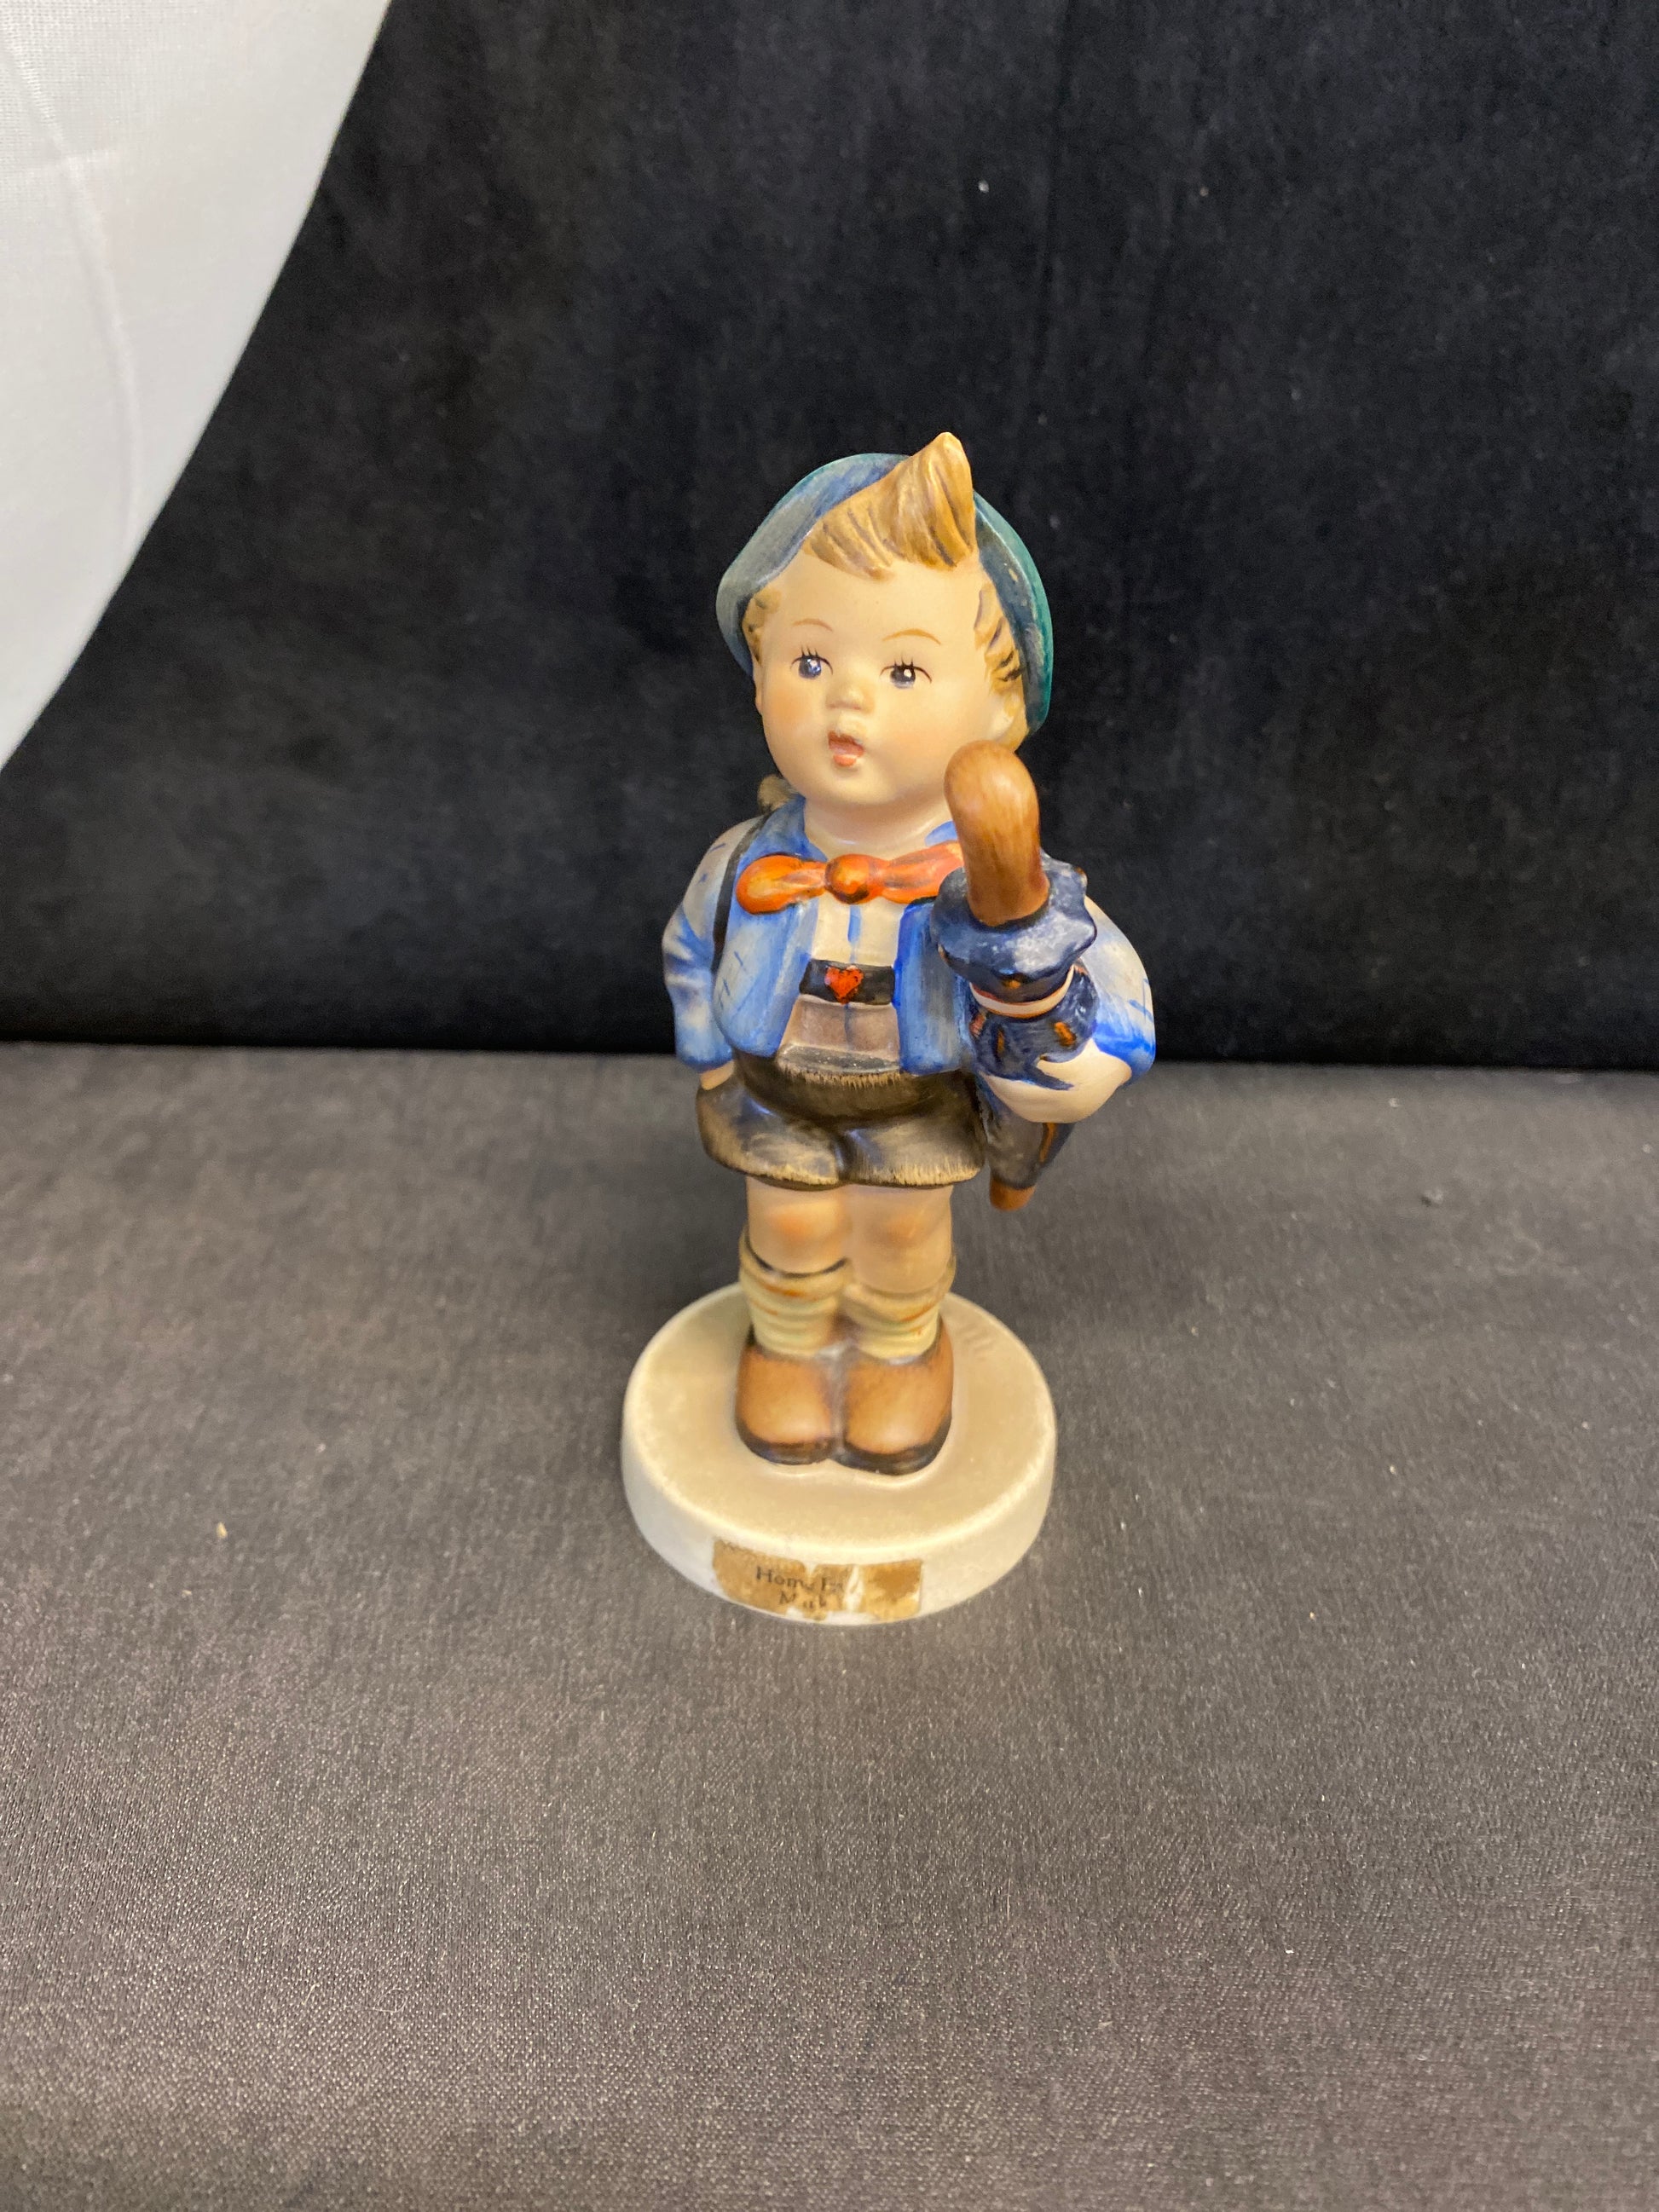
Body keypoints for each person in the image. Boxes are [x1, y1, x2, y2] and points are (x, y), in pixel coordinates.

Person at [663, 433, 1153, 1475]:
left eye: (901, 669)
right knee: (788, 1228)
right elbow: (687, 950)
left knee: (900, 1236)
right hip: (776, 1091)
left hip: (915, 1099)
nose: (847, 701)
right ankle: (788, 1347)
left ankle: (896, 1353)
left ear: (998, 710)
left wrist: (1079, 1052)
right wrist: (706, 1055)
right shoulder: (744, 861)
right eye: (809, 661)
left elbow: (1099, 977)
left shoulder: (1003, 886)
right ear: (758, 679)